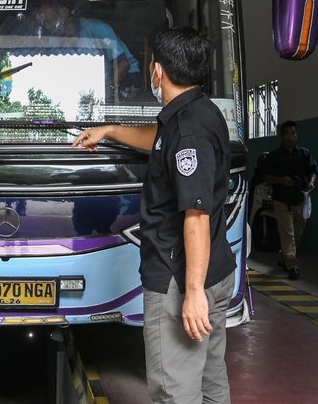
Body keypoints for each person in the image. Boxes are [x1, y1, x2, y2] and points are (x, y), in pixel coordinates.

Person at [73, 27, 235, 404]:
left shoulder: (189, 129)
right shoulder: (197, 113)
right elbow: (160, 141)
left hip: (182, 279)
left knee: (173, 391)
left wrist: (192, 294)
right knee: (211, 384)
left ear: (158, 70)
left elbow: (195, 215)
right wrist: (111, 131)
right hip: (212, 270)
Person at [31, 0, 143, 97]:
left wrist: (106, 88)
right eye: (44, 23)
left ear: (64, 12)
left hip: (125, 78)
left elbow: (123, 64)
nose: (48, 27)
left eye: (51, 21)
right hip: (92, 83)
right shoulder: (55, 41)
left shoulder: (97, 29)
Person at [263, 121, 317, 280]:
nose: (290, 137)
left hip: (300, 199)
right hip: (281, 200)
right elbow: (267, 177)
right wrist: (281, 180)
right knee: (288, 233)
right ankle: (292, 265)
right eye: (287, 133)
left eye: (293, 133)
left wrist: (312, 182)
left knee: (298, 233)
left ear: (296, 135)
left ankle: (283, 256)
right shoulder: (274, 157)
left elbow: (313, 171)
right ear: (281, 136)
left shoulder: (304, 154)